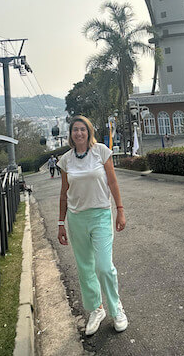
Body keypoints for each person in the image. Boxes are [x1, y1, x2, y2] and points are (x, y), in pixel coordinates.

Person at [57, 115, 128, 336]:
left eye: (83, 129)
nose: (79, 133)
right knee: (85, 267)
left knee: (104, 267)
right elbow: (63, 193)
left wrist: (120, 210)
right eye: (75, 130)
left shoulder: (101, 152)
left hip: (100, 215)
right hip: (77, 219)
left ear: (89, 132)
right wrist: (61, 222)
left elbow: (113, 181)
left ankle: (117, 309)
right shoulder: (66, 160)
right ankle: (97, 309)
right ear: (70, 135)